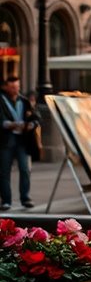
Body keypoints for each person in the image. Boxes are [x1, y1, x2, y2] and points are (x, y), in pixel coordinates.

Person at [0, 77, 40, 210]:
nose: (15, 89)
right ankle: (6, 200)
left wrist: (32, 124)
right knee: (4, 171)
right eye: (12, 87)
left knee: (25, 169)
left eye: (17, 87)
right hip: (6, 141)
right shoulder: (1, 100)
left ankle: (26, 197)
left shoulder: (24, 100)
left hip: (23, 140)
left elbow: (36, 116)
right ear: (6, 87)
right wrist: (11, 124)